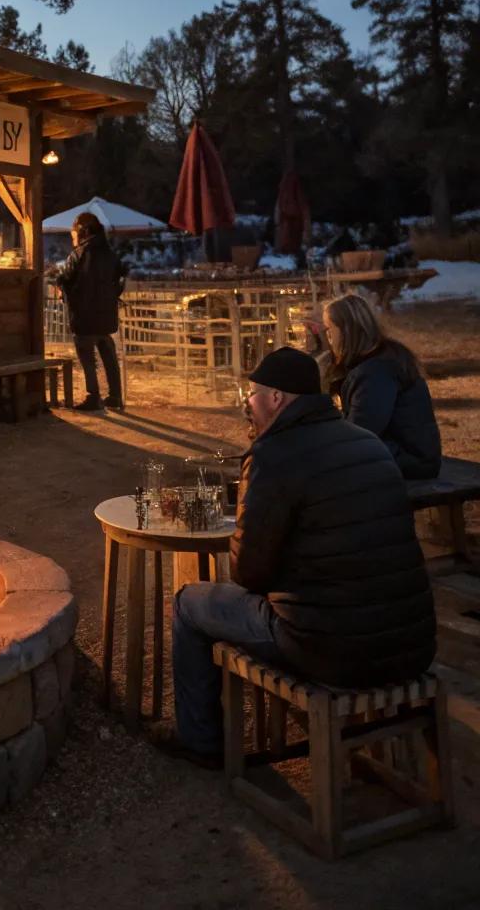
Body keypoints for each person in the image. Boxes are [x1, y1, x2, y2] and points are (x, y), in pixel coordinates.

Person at [157, 346, 436, 768]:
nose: (246, 406)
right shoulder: (370, 444)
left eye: (250, 396)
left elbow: (248, 573)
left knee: (188, 603)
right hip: (411, 644)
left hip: (328, 649)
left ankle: (200, 744)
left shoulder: (272, 456)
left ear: (275, 399)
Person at [323, 293, 441, 479]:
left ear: (346, 330)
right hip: (407, 455)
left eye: (330, 329)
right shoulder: (382, 358)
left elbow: (361, 432)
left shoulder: (375, 371)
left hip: (410, 461)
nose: (328, 337)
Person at [51, 212, 126, 413]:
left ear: (81, 232)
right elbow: (120, 280)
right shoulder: (110, 254)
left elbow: (66, 279)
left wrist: (60, 284)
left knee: (87, 356)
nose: (72, 237)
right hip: (106, 315)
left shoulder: (79, 254)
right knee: (107, 351)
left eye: (73, 233)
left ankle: (94, 397)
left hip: (85, 316)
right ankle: (115, 396)